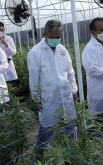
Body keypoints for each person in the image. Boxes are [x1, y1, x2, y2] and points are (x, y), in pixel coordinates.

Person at [28, 20, 78, 152]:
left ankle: (73, 154)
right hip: (48, 96)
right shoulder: (35, 52)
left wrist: (74, 90)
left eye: (58, 36)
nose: (56, 39)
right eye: (53, 36)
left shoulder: (62, 50)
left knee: (70, 124)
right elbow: (33, 77)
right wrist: (36, 99)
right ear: (45, 34)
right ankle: (38, 153)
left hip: (65, 94)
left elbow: (70, 72)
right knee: (47, 127)